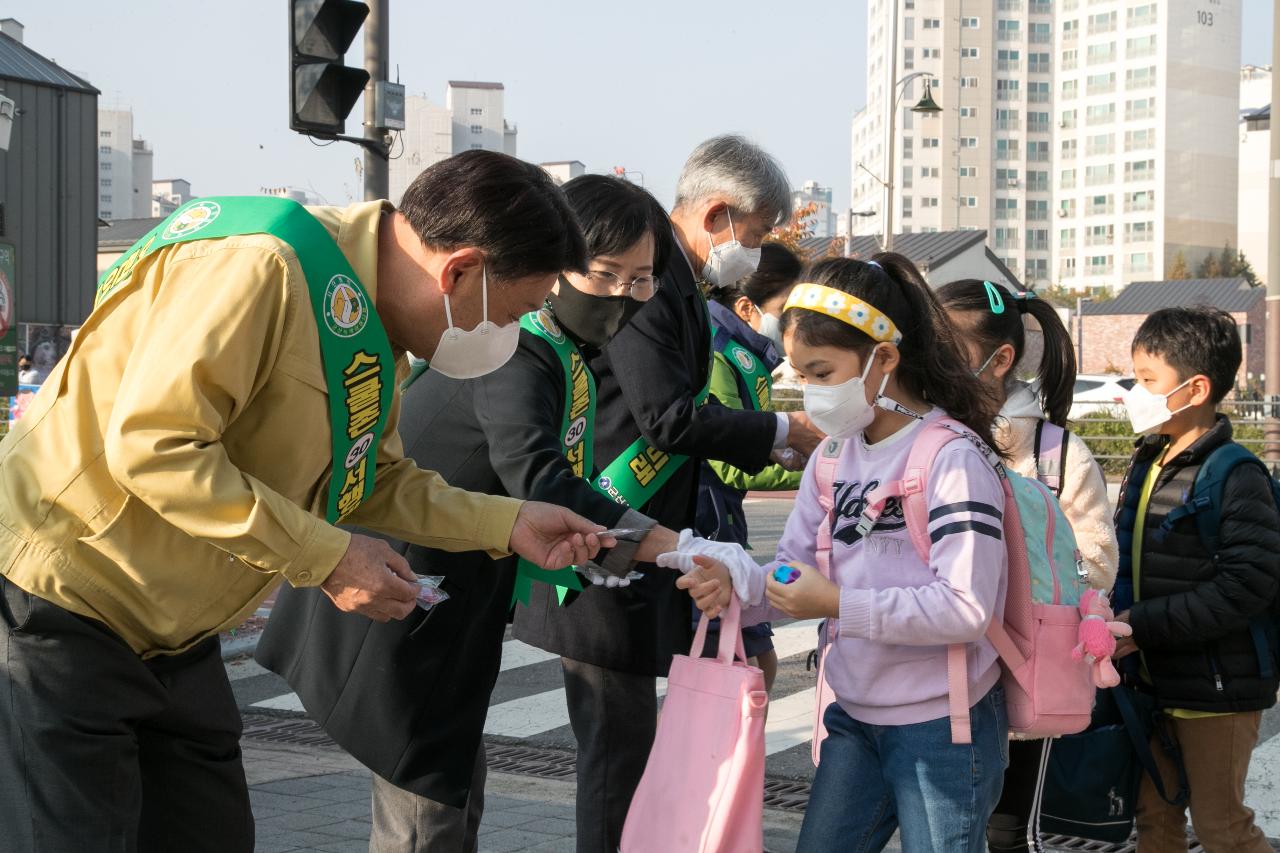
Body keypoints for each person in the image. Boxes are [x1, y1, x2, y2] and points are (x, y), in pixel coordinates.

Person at [0, 150, 610, 853]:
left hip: (174, 634)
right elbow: (156, 447)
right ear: (459, 270)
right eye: (515, 313)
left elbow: (372, 479)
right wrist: (328, 559)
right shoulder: (262, 268)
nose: (512, 335)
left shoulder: (369, 323)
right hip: (64, 604)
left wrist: (509, 522)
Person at [257, 174, 688, 853]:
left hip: (448, 598)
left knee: (451, 796)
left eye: (642, 281)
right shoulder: (509, 349)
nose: (624, 299)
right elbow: (540, 480)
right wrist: (677, 546)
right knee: (424, 818)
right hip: (398, 596)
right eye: (606, 274)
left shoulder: (553, 350)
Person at [512, 135, 823, 852]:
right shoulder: (646, 274)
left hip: (634, 539)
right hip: (602, 539)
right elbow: (665, 415)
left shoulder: (674, 275)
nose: (758, 247)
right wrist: (779, 427)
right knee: (616, 754)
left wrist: (772, 438)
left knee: (629, 747)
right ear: (717, 214)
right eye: (758, 231)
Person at [679, 254, 1012, 853]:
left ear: (884, 358)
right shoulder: (834, 457)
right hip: (853, 717)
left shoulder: (952, 457)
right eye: (802, 373)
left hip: (940, 727)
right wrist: (744, 586)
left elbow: (966, 609)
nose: (811, 392)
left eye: (823, 371)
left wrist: (835, 601)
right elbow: (790, 568)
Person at [938, 278, 1119, 853]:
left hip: (1022, 680)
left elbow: (1096, 561)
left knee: (1006, 829)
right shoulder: (924, 437)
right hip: (929, 665)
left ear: (1001, 360)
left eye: (949, 351)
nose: (932, 363)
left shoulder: (1056, 454)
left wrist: (1024, 585)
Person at [1110, 306, 1280, 853]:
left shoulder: (1235, 473)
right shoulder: (1149, 458)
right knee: (1154, 824)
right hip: (1149, 679)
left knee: (1221, 828)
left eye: (1146, 380)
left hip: (1217, 689)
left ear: (1196, 387)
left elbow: (1245, 588)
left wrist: (1140, 623)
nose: (1132, 393)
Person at [696, 242, 806, 690]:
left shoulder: (747, 352)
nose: (793, 322)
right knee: (743, 664)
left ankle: (734, 757)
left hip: (726, 521)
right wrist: (814, 464)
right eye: (787, 308)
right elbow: (729, 461)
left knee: (755, 661)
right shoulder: (718, 351)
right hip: (708, 521)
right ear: (746, 306)